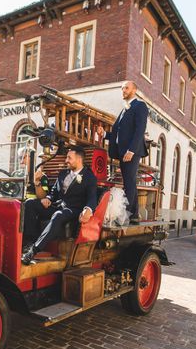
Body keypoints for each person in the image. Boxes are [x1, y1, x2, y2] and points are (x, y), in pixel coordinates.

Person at [22, 146, 97, 265]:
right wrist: (48, 198)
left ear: (79, 159)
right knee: (29, 204)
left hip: (73, 210)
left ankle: (33, 250)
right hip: (58, 205)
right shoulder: (63, 173)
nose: (66, 160)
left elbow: (92, 197)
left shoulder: (89, 177)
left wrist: (88, 209)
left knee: (58, 215)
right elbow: (54, 193)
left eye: (69, 158)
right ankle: (30, 241)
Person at [96, 81, 149, 224]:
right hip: (123, 152)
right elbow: (118, 133)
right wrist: (105, 134)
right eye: (122, 88)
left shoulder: (140, 106)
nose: (123, 90)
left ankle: (126, 215)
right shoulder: (124, 109)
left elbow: (139, 130)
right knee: (129, 182)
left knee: (129, 183)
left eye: (126, 88)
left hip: (131, 151)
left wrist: (131, 150)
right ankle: (134, 215)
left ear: (134, 90)